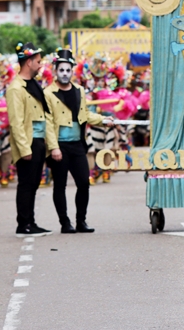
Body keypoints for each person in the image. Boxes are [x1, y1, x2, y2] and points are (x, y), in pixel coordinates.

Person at [44, 49, 115, 234]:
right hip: (59, 146)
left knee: (84, 182)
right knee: (60, 185)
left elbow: (85, 115)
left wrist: (102, 119)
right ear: (55, 71)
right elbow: (48, 123)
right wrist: (53, 147)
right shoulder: (48, 93)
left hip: (77, 144)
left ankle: (81, 221)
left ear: (72, 71)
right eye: (61, 70)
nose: (65, 74)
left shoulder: (79, 91)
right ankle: (65, 223)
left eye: (68, 70)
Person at [6, 42, 60, 238]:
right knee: (26, 184)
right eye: (38, 61)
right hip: (28, 143)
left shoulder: (32, 85)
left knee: (34, 183)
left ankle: (31, 222)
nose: (40, 65)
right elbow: (16, 122)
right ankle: (23, 224)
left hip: (38, 141)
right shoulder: (15, 89)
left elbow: (44, 116)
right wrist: (24, 148)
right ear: (28, 62)